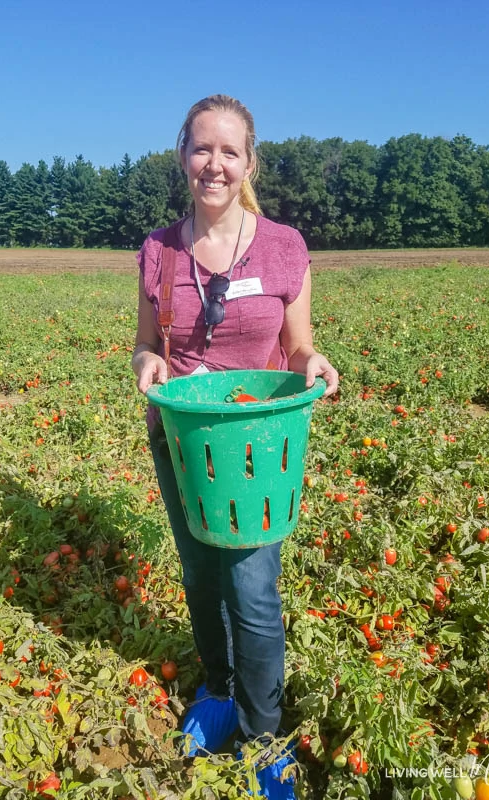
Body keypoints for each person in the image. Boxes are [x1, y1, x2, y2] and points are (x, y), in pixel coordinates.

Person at [132, 94, 338, 798]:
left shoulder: (284, 246)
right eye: (201, 148)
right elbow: (143, 346)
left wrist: (311, 361)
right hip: (184, 442)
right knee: (200, 576)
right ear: (182, 156)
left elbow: (301, 343)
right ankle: (218, 693)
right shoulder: (159, 250)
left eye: (229, 151)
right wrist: (145, 366)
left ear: (248, 163)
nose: (213, 164)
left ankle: (263, 732)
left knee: (251, 589)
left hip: (255, 447)